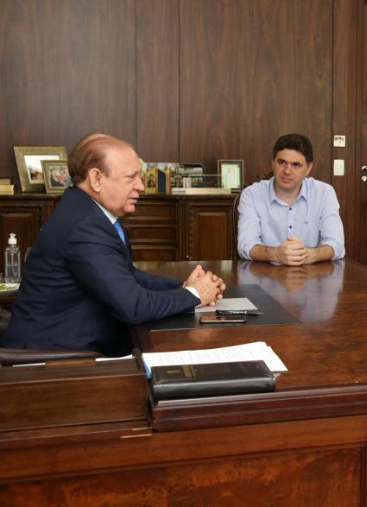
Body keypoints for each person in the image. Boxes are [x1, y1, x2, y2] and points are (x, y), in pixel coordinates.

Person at [4, 134, 225, 357]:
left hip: (70, 350)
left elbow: (126, 276)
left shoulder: (86, 212)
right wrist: (195, 294)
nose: (141, 186)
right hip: (52, 362)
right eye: (131, 178)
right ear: (96, 179)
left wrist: (182, 286)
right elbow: (133, 307)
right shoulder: (85, 225)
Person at [237, 133, 345, 265]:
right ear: (273, 163)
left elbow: (336, 244)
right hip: (264, 277)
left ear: (308, 169)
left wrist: (309, 255)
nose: (287, 171)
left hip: (312, 278)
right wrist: (276, 254)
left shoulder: (324, 193)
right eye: (281, 162)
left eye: (296, 165)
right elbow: (245, 245)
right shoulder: (251, 194)